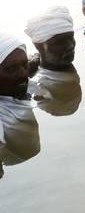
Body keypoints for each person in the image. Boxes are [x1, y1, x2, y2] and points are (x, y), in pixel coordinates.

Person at [0, 34, 41, 175]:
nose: (22, 74)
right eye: (11, 69)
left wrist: (35, 59)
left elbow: (32, 63)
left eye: (24, 65)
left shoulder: (17, 85)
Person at [24, 6, 75, 72]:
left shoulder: (65, 69)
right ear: (39, 46)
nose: (70, 46)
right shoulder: (43, 81)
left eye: (71, 37)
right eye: (60, 42)